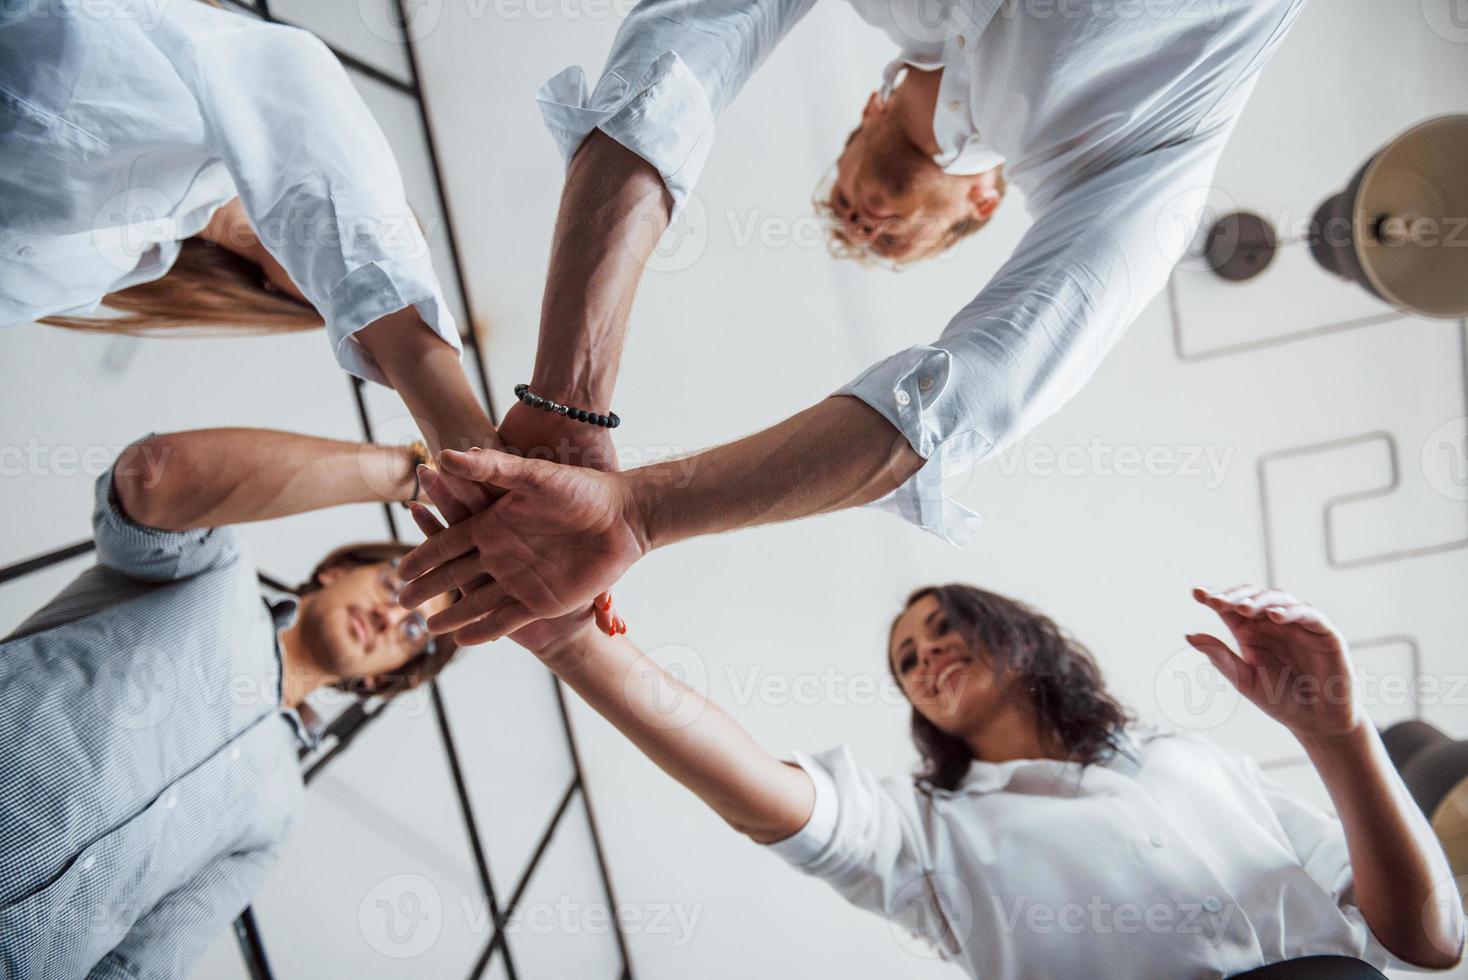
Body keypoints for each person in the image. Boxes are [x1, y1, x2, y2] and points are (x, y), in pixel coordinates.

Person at [394, 0, 1310, 640]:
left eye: (873, 227)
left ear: (984, 209)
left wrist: (624, 491)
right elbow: (677, 61)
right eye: (855, 220)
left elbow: (955, 405)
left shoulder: (1134, 160)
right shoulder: (1155, 151)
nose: (862, 218)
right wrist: (594, 447)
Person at [418, 465, 1463, 978]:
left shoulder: (1190, 759)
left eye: (941, 627)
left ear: (1016, 636)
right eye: (905, 661)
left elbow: (1427, 938)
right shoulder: (928, 836)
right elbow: (756, 786)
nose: (924, 656)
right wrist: (575, 643)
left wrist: (1333, 734)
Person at [0, 427, 460, 978]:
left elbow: (139, 967)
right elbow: (150, 477)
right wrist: (413, 475)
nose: (390, 617)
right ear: (339, 568)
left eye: (412, 631)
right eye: (396, 587)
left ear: (381, 681)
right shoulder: (214, 566)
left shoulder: (278, 816)